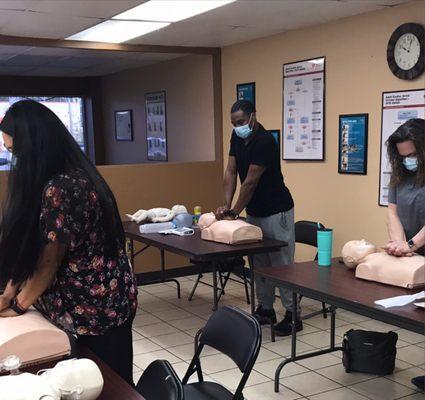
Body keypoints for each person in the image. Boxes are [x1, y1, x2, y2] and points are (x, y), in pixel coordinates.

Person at [0, 100, 138, 385]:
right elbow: (27, 243)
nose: (17, 163)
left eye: (18, 153)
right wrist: (8, 292)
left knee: (111, 383)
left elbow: (48, 261)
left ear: (36, 148)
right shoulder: (47, 180)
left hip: (97, 308)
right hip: (78, 305)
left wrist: (17, 306)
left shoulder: (64, 186)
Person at [216, 100, 300, 336]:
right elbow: (231, 171)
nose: (237, 126)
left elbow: (251, 180)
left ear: (253, 116)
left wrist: (234, 212)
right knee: (259, 263)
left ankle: (293, 315)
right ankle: (266, 309)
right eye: (233, 123)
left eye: (241, 122)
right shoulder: (237, 138)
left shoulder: (265, 141)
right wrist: (227, 204)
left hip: (276, 210)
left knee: (281, 265)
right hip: (255, 211)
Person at [384, 118, 424, 392]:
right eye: (402, 156)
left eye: (412, 154)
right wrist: (399, 243)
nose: (407, 160)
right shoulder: (401, 175)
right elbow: (393, 211)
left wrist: (410, 244)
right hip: (414, 251)